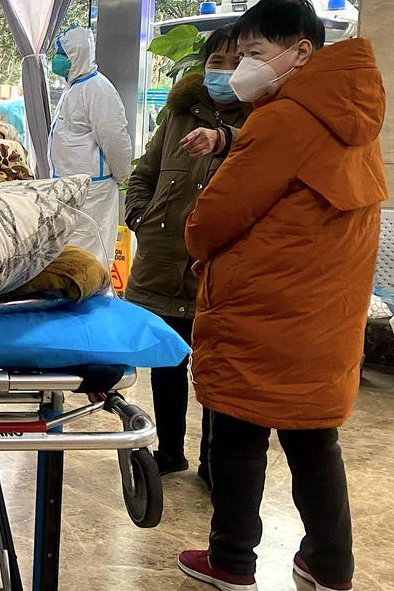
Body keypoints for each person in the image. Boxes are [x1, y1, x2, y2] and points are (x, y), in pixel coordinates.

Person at [177, 0, 386, 591]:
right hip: (325, 311)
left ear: (300, 52)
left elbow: (216, 215)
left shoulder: (285, 119)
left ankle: (232, 560)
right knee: (315, 440)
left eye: (255, 53)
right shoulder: (350, 115)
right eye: (240, 54)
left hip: (265, 310)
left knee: (239, 434)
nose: (243, 67)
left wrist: (200, 248)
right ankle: (329, 565)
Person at [123, 25, 253, 485]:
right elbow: (145, 173)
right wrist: (140, 215)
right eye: (216, 62)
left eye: (236, 62)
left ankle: (213, 462)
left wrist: (225, 138)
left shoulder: (261, 119)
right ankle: (170, 451)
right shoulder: (179, 114)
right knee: (168, 364)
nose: (224, 71)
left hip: (216, 268)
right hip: (162, 259)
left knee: (215, 370)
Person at [47, 26, 133, 267]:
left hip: (93, 193)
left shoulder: (98, 89)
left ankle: (92, 300)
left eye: (62, 53)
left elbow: (115, 139)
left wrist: (122, 175)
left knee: (91, 255)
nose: (58, 59)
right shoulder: (73, 88)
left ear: (78, 54)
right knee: (70, 253)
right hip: (69, 188)